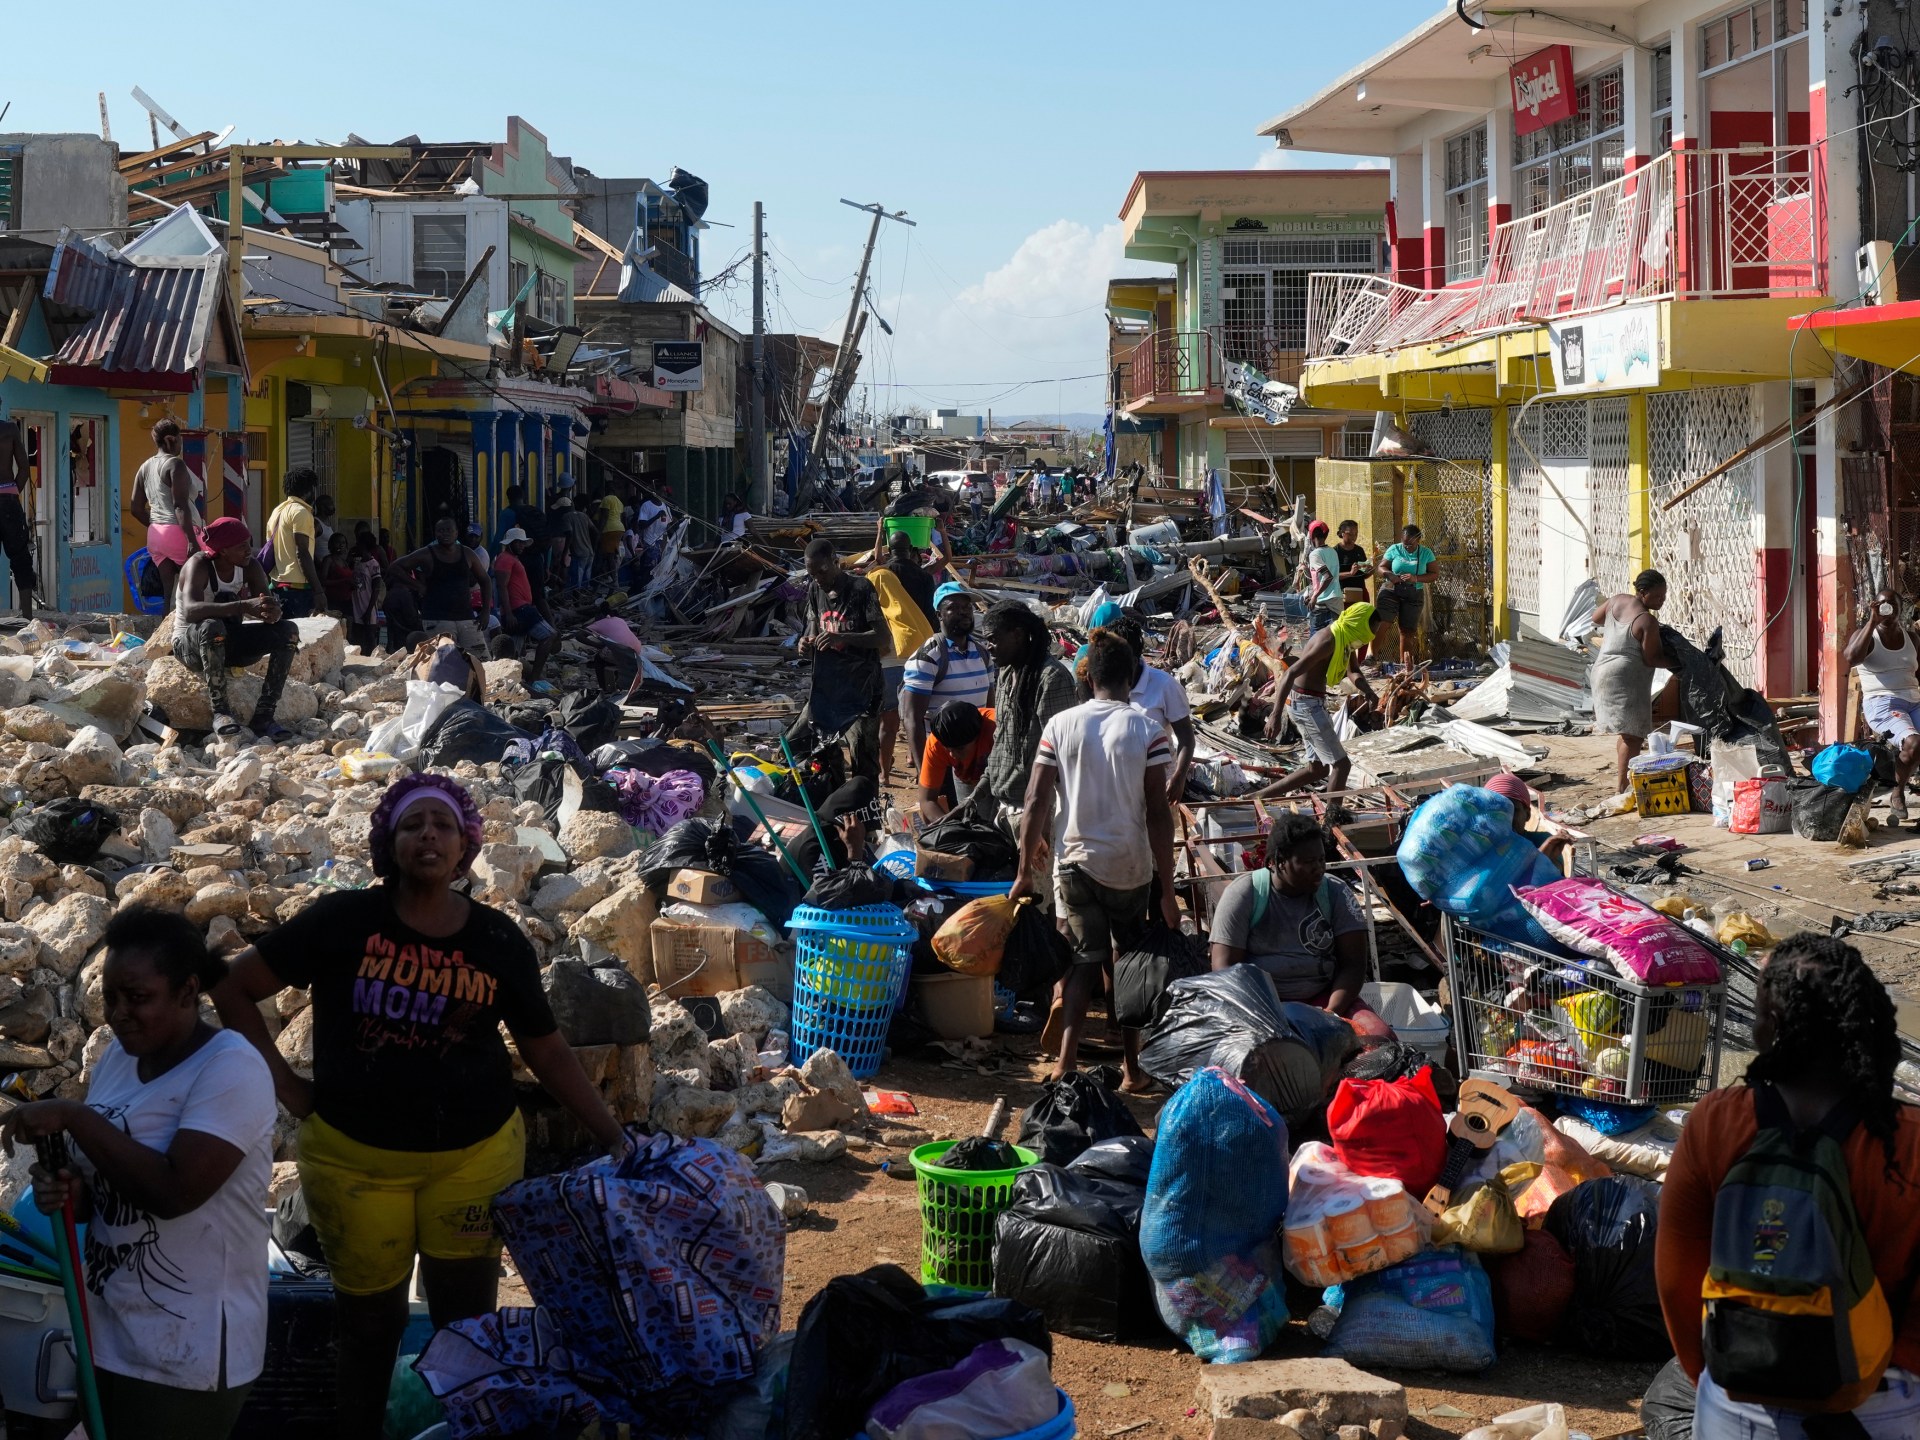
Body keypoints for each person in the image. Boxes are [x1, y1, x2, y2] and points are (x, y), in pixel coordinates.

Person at [210, 773, 630, 1439]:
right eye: (412, 824)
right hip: (353, 1163)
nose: (428, 835)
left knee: (466, 1328)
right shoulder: (342, 920)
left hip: (474, 1160)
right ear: (390, 842)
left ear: (466, 846)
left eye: (442, 825)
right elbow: (233, 987)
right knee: (367, 1328)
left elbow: (547, 1051)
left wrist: (614, 1136)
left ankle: (465, 1430)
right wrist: (286, 1087)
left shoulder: (496, 940)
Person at [2, 905, 274, 1439]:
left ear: (187, 991)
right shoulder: (119, 1059)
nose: (119, 1014)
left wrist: (74, 1117)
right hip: (108, 1331)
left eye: (137, 997)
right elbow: (106, 1192)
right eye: (110, 998)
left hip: (188, 1352)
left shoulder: (232, 1068)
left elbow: (175, 1192)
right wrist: (72, 1191)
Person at [1655, 933, 1920, 1440]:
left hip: (1741, 1399)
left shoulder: (1717, 1122)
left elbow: (1676, 1278)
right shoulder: (1907, 1141)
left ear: (1771, 1027)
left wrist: (1713, 1375)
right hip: (1883, 1406)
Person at [1012, 631, 1178, 1090]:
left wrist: (1024, 870)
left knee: (1083, 961)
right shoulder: (1147, 730)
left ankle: (1065, 1064)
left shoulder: (1060, 725)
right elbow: (1158, 812)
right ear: (1131, 676)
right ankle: (1132, 1070)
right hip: (1128, 866)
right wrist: (1167, 889)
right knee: (1127, 964)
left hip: (1074, 862)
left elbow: (1035, 799)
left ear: (1089, 678)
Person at [1207, 813, 1388, 1036]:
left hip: (1325, 998)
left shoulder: (1335, 893)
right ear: (1279, 862)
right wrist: (1266, 1015)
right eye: (1308, 862)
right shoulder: (1245, 894)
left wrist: (1331, 1013)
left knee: (1378, 1036)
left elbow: (1353, 965)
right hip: (1260, 1003)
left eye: (1321, 859)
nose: (1319, 868)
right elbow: (1225, 969)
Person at [176, 516, 298, 739]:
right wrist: (243, 606)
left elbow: (266, 604)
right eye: (241, 546)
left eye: (248, 543)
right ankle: (221, 712)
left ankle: (264, 715)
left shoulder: (250, 566)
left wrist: (272, 613)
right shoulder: (199, 565)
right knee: (212, 626)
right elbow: (191, 611)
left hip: (227, 642)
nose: (248, 550)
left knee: (288, 631)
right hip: (191, 646)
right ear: (223, 550)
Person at [1260, 602, 1382, 798]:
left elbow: (1353, 671)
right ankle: (1333, 816)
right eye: (1368, 634)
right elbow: (1290, 673)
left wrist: (1368, 691)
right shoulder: (1328, 641)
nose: (1368, 640)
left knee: (1317, 770)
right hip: (1304, 704)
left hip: (1313, 702)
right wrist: (1275, 714)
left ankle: (1259, 796)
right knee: (1342, 765)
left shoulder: (1345, 637)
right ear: (1357, 625)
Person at [795, 536, 884, 781]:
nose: (818, 579)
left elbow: (882, 637)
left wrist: (841, 637)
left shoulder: (861, 589)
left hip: (862, 688)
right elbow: (813, 626)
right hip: (829, 687)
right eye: (812, 574)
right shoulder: (815, 589)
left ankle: (867, 803)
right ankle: (835, 800)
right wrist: (806, 642)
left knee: (863, 756)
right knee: (816, 749)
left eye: (822, 572)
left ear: (836, 562)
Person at [980, 599, 1079, 817]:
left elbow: (1061, 755)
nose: (988, 647)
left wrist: (1040, 817)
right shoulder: (1006, 674)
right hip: (1005, 804)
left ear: (1017, 634)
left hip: (1035, 809)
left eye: (993, 639)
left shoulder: (1051, 678)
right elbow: (1001, 742)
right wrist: (977, 795)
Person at [1591, 569, 1671, 797]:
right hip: (1624, 679)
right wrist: (1679, 663)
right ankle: (1623, 789)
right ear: (1643, 592)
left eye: (1664, 596)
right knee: (1633, 736)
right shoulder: (1647, 620)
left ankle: (1623, 784)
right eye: (1658, 596)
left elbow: (1596, 618)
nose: (1662, 601)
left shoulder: (1616, 600)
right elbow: (1651, 658)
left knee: (1627, 734)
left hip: (1601, 672)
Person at [1846, 584, 1920, 821]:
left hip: (1914, 700)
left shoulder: (1911, 638)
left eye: (1892, 605)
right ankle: (1897, 792)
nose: (1888, 609)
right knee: (1914, 743)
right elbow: (1851, 658)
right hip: (1883, 704)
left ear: (1900, 608)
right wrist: (1872, 622)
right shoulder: (1866, 635)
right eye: (1882, 605)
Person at [901, 582, 995, 768]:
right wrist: (923, 769)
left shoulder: (983, 654)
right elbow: (912, 718)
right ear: (939, 615)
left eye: (967, 607)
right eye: (954, 607)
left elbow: (989, 709)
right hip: (941, 758)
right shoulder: (929, 657)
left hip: (977, 759)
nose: (964, 612)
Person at [1110, 617, 1196, 803]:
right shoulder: (1106, 683)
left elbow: (1186, 738)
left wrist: (1179, 778)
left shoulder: (1164, 686)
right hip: (1119, 787)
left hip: (1159, 784)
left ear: (1134, 659)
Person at [866, 558, 933, 787]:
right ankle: (917, 765)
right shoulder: (906, 607)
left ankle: (884, 773)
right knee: (913, 721)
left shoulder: (872, 608)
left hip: (886, 670)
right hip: (913, 668)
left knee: (888, 725)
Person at [390, 516, 492, 660]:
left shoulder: (467, 553)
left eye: (449, 530)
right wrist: (418, 585)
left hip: (466, 618)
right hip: (437, 619)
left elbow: (485, 580)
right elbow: (395, 567)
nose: (445, 533)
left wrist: (486, 611)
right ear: (435, 533)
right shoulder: (427, 553)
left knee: (482, 661)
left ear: (456, 533)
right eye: (441, 530)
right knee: (444, 663)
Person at [135, 418, 204, 614]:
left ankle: (165, 630)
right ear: (170, 440)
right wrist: (191, 540)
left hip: (155, 535)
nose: (181, 444)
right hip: (180, 533)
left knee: (168, 594)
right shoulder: (175, 464)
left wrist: (158, 526)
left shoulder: (144, 467)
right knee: (193, 589)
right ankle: (192, 629)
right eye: (180, 439)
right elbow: (180, 505)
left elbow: (135, 508)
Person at [493, 527, 557, 683]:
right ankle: (534, 678)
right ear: (510, 543)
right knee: (549, 635)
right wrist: (508, 613)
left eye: (523, 543)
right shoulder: (505, 559)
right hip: (519, 609)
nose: (522, 546)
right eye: (519, 543)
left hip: (519, 609)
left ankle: (509, 682)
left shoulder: (510, 558)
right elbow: (501, 587)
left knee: (514, 653)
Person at [917, 700, 996, 823]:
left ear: (977, 737)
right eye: (948, 749)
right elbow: (927, 800)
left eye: (959, 749)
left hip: (1006, 776)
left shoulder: (997, 730)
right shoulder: (936, 743)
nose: (952, 755)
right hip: (968, 776)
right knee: (973, 820)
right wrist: (950, 827)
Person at [787, 776, 879, 882]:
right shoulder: (813, 849)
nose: (864, 839)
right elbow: (838, 890)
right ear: (848, 823)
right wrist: (855, 855)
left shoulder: (845, 836)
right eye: (866, 833)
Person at [1374, 523, 1438, 668]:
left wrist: (1415, 578)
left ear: (1418, 540)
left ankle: (1405, 666)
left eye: (1410, 544)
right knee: (1382, 622)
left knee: (1407, 631)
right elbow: (1381, 567)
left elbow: (1434, 574)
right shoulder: (1394, 549)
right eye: (1405, 544)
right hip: (1392, 589)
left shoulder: (1426, 553)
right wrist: (1389, 575)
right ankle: (1373, 657)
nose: (1407, 547)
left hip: (1413, 592)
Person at [265, 467, 326, 619]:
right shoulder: (301, 512)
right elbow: (302, 552)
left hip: (277, 586)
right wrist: (318, 591)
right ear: (309, 490)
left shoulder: (277, 511)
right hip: (297, 591)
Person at [1484, 769, 1569, 863]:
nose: (1506, 817)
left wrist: (1542, 857)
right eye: (1498, 811)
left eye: (1513, 810)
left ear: (1527, 814)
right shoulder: (1479, 846)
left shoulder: (1542, 842)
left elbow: (1555, 868)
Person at [0, 415, 37, 617]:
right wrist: (13, 493)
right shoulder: (10, 429)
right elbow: (24, 468)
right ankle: (27, 617)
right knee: (21, 558)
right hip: (8, 499)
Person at [883, 528, 938, 622]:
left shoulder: (881, 574)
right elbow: (930, 612)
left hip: (890, 627)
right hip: (918, 627)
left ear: (889, 550)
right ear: (910, 548)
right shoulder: (925, 576)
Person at [1303, 520, 1345, 634]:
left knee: (1316, 641)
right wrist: (1312, 595)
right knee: (1335, 639)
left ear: (1312, 536)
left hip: (1322, 605)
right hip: (1336, 602)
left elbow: (1327, 577)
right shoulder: (1333, 552)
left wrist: (1314, 596)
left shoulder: (1314, 554)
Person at [348, 531, 385, 655]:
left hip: (367, 607)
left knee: (369, 639)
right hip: (357, 606)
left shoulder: (373, 565)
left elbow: (376, 589)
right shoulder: (357, 563)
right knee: (358, 639)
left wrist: (369, 611)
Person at [319, 531, 355, 616]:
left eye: (343, 543)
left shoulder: (345, 561)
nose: (341, 545)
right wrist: (344, 581)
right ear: (332, 544)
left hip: (347, 600)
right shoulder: (328, 560)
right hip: (333, 601)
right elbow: (323, 581)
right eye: (338, 542)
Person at [599, 484, 630, 569]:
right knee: (612, 554)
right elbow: (622, 517)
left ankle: (613, 576)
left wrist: (599, 531)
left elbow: (604, 516)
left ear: (607, 490)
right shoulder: (619, 502)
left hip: (610, 529)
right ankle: (610, 573)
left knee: (610, 555)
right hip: (620, 528)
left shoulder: (606, 499)